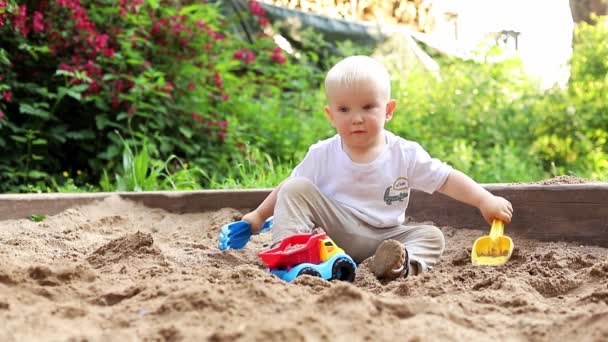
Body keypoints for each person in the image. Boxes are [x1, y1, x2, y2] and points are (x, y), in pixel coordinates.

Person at [241, 55, 513, 280]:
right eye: (345, 110)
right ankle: (289, 257)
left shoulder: (404, 153)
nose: (357, 118)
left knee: (432, 236)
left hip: (385, 237)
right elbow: (288, 190)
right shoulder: (322, 153)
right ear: (331, 115)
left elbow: (445, 178)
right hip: (336, 231)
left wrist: (484, 199)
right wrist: (257, 216)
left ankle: (399, 266)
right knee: (296, 186)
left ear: (388, 110)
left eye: (368, 107)